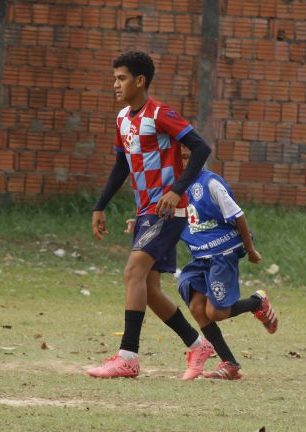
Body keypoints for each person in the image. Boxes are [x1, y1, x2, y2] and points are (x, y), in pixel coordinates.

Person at [87, 51, 213, 379]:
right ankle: (198, 344)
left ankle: (128, 357)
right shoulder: (122, 119)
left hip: (169, 210)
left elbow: (200, 148)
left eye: (121, 78)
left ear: (139, 81)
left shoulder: (160, 114)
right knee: (151, 289)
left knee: (133, 272)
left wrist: (176, 190)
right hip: (146, 212)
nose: (115, 84)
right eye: (114, 78)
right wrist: (100, 205)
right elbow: (120, 166)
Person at [177, 147, 279, 380]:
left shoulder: (211, 184)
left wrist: (250, 250)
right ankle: (230, 364)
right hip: (200, 257)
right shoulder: (177, 187)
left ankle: (256, 303)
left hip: (223, 253)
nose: (182, 162)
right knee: (195, 306)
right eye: (177, 157)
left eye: (186, 158)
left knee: (216, 312)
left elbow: (238, 215)